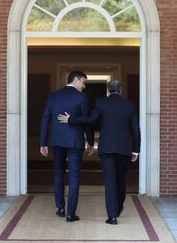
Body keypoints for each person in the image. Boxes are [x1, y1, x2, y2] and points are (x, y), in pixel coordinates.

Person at [57, 80, 140, 225]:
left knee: (109, 181)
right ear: (120, 91)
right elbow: (136, 130)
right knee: (121, 179)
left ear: (108, 91)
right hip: (124, 149)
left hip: (106, 148)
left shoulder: (101, 103)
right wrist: (136, 150)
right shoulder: (129, 106)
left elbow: (89, 120)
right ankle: (119, 206)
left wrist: (71, 119)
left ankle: (112, 216)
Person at [40, 70, 94, 222]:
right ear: (76, 80)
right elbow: (87, 121)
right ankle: (71, 214)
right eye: (83, 82)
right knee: (74, 176)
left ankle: (60, 208)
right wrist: (90, 142)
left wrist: (43, 142)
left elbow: (45, 119)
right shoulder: (81, 97)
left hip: (57, 141)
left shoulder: (53, 96)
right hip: (75, 142)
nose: (84, 86)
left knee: (58, 173)